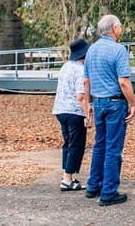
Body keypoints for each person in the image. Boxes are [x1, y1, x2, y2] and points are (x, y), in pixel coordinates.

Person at [84, 14, 135, 206]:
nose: (121, 30)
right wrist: (133, 103)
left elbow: (86, 80)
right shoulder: (118, 50)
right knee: (113, 147)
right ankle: (108, 192)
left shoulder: (91, 50)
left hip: (98, 101)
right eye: (120, 26)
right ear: (114, 28)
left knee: (100, 145)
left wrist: (88, 103)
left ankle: (93, 185)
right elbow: (123, 81)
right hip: (115, 103)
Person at [52, 38, 90, 191]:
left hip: (61, 109)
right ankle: (67, 178)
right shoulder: (80, 70)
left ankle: (68, 175)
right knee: (76, 144)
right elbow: (80, 96)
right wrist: (88, 114)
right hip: (74, 111)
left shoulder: (65, 66)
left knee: (68, 143)